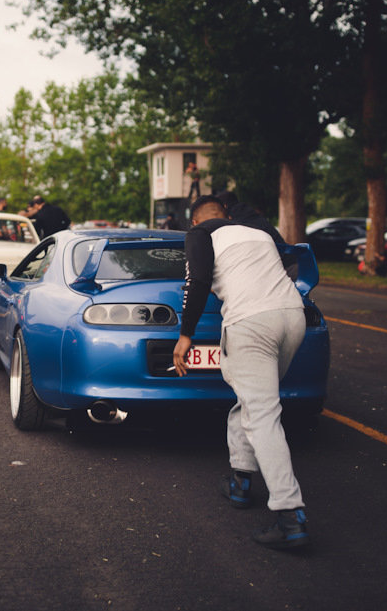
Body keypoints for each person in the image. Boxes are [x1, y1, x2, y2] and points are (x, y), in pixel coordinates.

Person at [172, 195, 310, 549]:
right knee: (254, 401)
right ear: (229, 215)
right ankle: (241, 479)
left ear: (194, 221)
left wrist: (185, 335)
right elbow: (292, 262)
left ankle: (289, 515)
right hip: (293, 316)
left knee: (262, 414)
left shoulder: (200, 234)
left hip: (251, 322)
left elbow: (198, 281)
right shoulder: (257, 231)